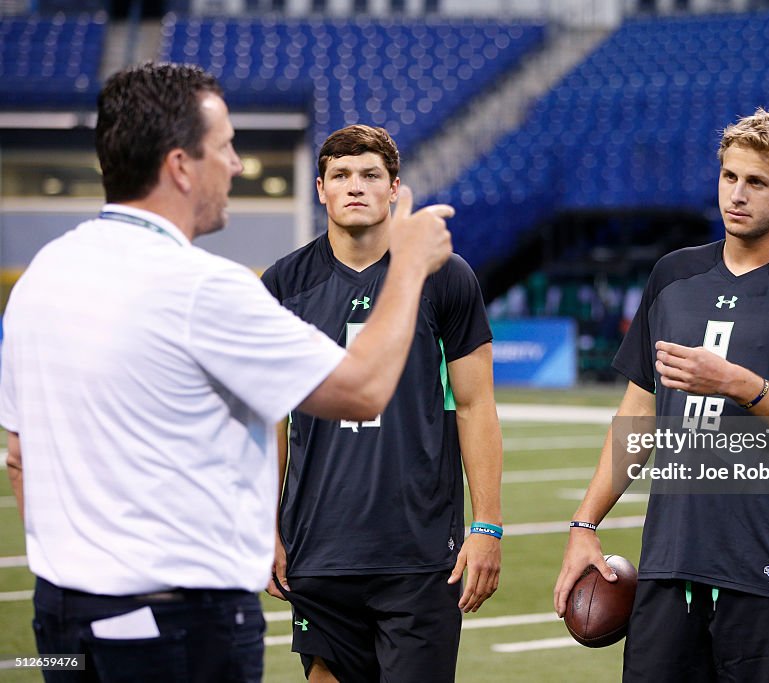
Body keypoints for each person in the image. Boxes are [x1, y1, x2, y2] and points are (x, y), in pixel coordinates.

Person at [0, 62, 454, 683]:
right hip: (174, 623)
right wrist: (407, 267)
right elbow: (362, 388)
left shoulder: (42, 275)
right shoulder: (204, 287)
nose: (237, 166)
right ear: (181, 165)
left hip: (60, 617)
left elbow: (19, 457)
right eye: (225, 148)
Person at [553, 108, 769, 682]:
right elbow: (639, 413)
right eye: (729, 176)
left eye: (756, 182)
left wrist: (742, 385)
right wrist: (584, 525)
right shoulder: (674, 276)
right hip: (670, 564)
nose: (737, 194)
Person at [260, 124, 502, 683]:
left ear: (395, 188)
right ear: (319, 188)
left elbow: (475, 405)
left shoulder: (446, 276)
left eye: (370, 175)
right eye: (340, 176)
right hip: (317, 546)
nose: (355, 187)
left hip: (419, 555)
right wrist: (263, 525)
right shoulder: (283, 284)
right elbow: (269, 416)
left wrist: (487, 524)